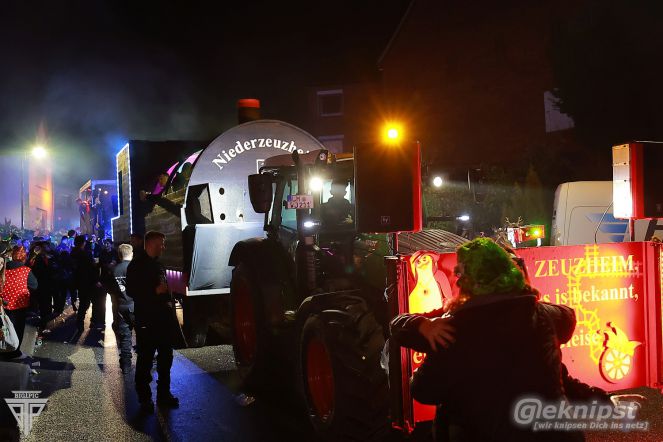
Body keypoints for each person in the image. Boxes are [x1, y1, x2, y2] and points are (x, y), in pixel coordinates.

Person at [394, 238, 582, 442]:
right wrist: (526, 296)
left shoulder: (452, 328)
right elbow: (568, 318)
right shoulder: (543, 314)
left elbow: (424, 390)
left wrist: (421, 326)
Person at [127, 231, 179, 410]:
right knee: (145, 359)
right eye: (161, 244)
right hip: (147, 321)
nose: (163, 247)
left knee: (166, 359)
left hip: (163, 321)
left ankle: (164, 394)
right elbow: (131, 291)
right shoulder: (137, 265)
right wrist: (154, 291)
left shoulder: (158, 264)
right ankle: (145, 398)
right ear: (151, 244)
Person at [0, 246, 38, 360]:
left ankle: (3, 350)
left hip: (3, 304)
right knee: (17, 329)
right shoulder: (25, 270)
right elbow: (34, 285)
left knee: (4, 327)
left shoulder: (3, 268)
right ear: (24, 257)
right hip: (18, 305)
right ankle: (14, 353)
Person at [106, 244, 134, 374]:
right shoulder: (135, 268)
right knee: (143, 335)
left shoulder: (114, 269)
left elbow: (110, 289)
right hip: (135, 306)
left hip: (121, 306)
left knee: (125, 337)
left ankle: (126, 365)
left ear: (119, 255)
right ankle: (146, 362)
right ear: (131, 253)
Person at [71, 235, 102, 333]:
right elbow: (90, 269)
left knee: (83, 303)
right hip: (88, 282)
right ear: (83, 243)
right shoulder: (84, 254)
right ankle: (93, 321)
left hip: (79, 282)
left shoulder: (73, 253)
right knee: (93, 302)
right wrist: (96, 280)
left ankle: (80, 323)